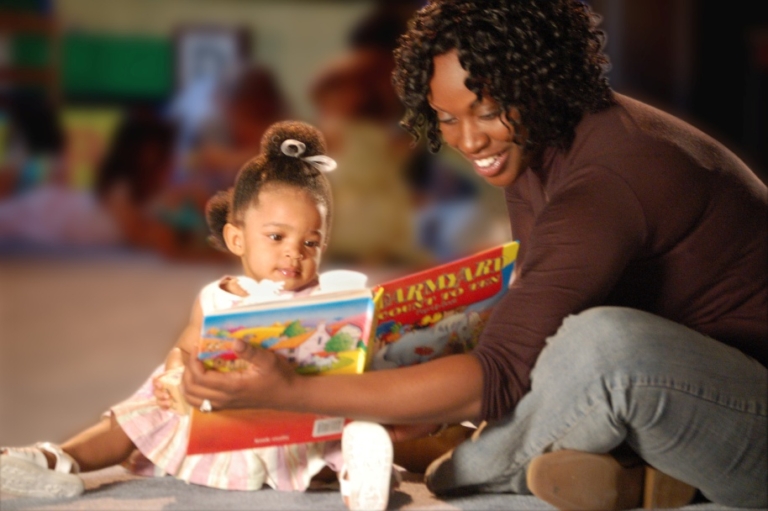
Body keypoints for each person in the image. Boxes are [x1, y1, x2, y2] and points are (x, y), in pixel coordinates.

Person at [181, 1, 768, 510]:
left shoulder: (607, 181)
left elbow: (501, 373)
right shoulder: (533, 149)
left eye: (487, 112)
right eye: (446, 118)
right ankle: (637, 477)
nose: (469, 141)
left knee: (606, 346)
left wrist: (291, 392)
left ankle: (470, 463)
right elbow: (536, 321)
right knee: (441, 332)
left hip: (749, 419)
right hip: (688, 393)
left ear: (544, 82)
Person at [0, 120, 395, 511]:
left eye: (311, 242)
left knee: (329, 438)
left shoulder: (327, 298)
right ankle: (55, 461)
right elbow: (185, 349)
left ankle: (358, 467)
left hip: (294, 415)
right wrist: (175, 376)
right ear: (236, 238)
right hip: (219, 415)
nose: (295, 252)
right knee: (138, 417)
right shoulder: (217, 298)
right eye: (277, 237)